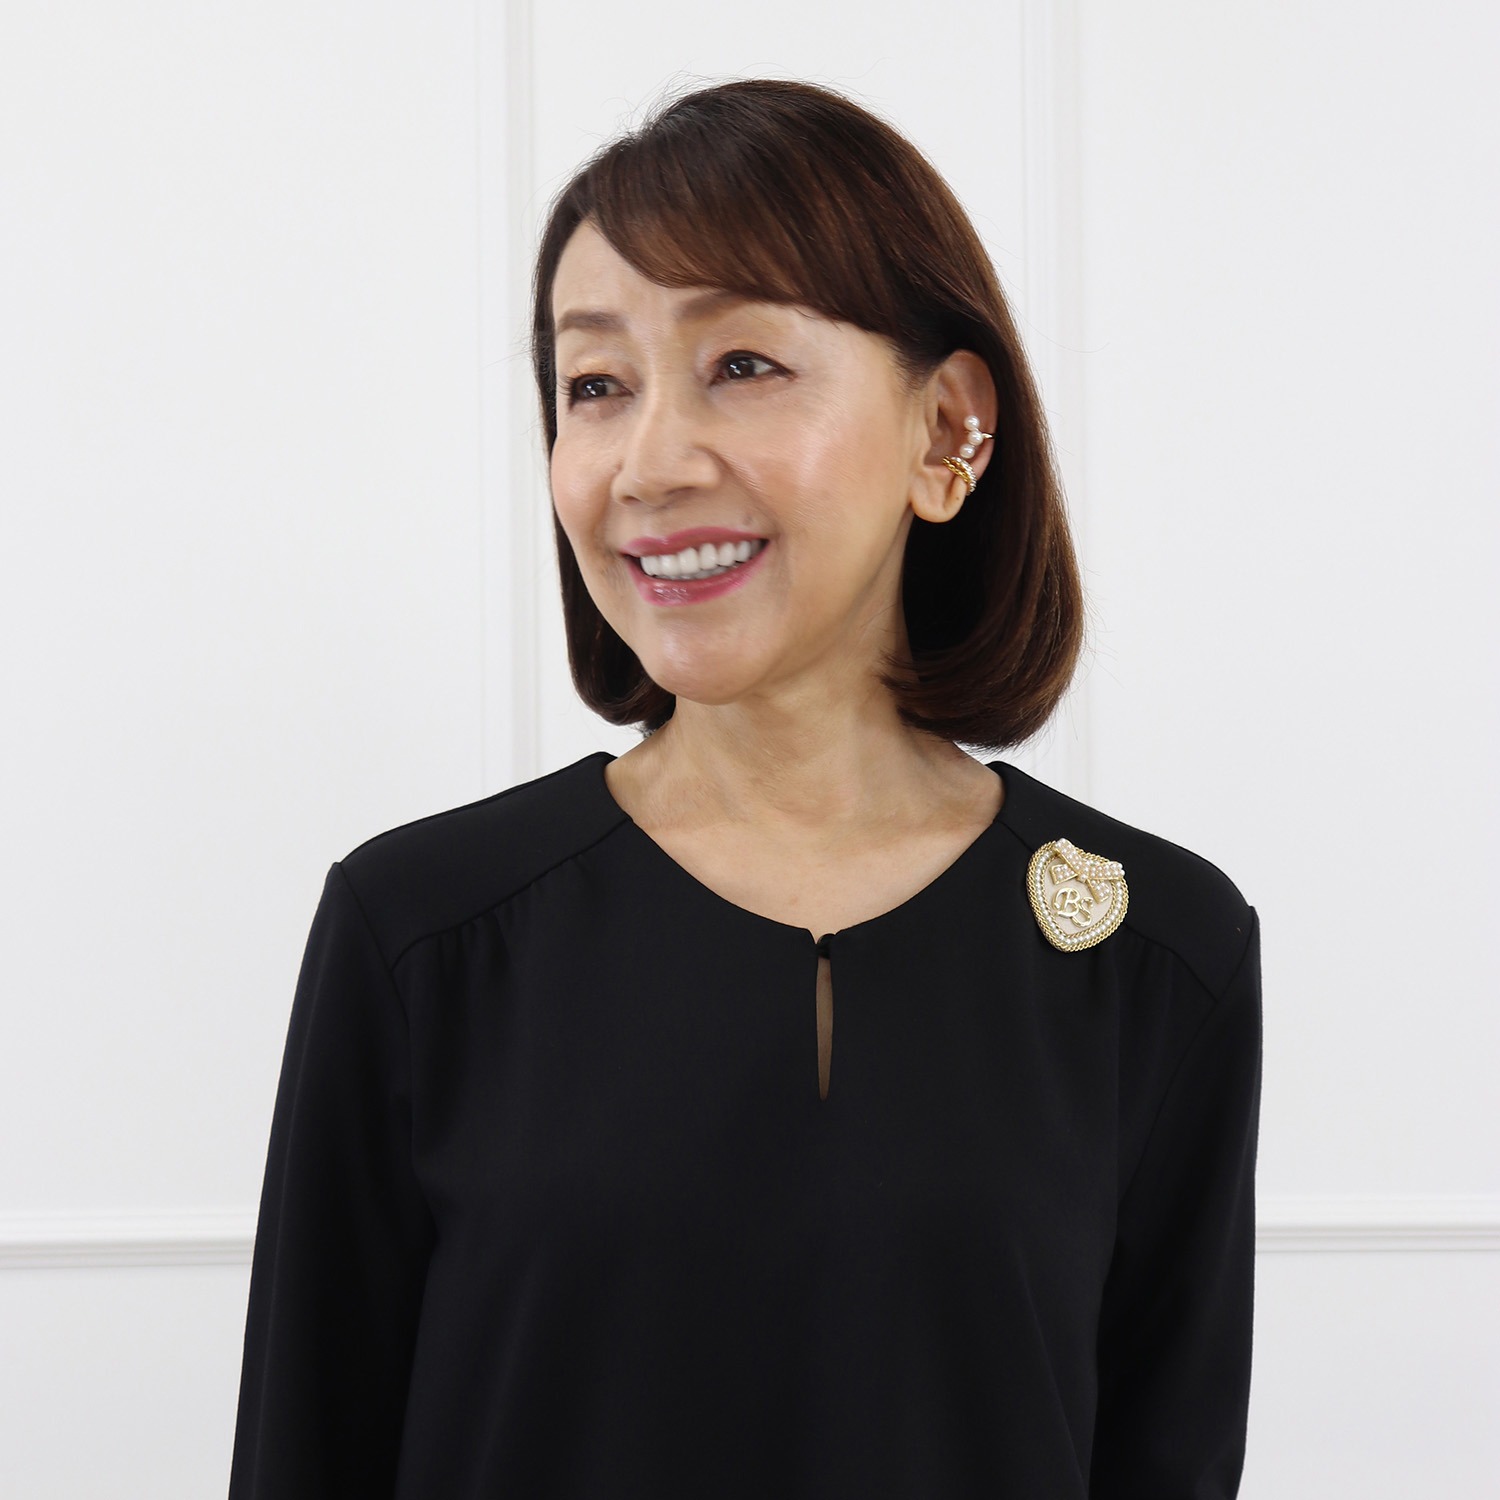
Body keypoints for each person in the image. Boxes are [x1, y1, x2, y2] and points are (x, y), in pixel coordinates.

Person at [227, 78, 1263, 1499]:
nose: (649, 464)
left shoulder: (1159, 952)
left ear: (948, 433)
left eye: (742, 364)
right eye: (597, 386)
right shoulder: (419, 934)